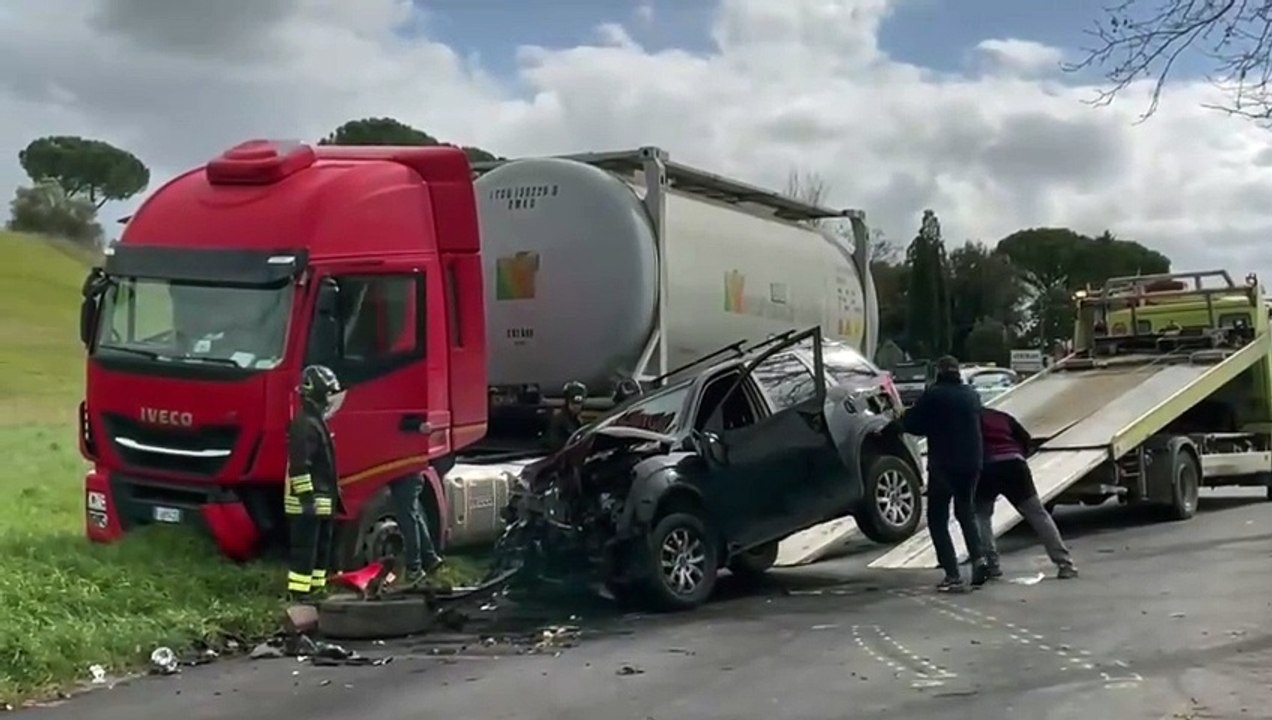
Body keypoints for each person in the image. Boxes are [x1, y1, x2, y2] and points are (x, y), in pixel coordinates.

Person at [899, 355, 989, 593]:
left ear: (938, 372)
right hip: (972, 462)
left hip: (944, 465)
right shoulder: (971, 394)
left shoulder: (934, 395)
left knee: (937, 518)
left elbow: (913, 425)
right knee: (965, 512)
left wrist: (899, 418)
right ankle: (979, 559)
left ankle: (952, 574)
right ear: (957, 372)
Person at [976, 407, 1078, 580]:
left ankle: (992, 565)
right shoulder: (1002, 417)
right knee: (1038, 514)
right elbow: (1025, 439)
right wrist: (1019, 455)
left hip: (986, 468)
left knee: (982, 516)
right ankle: (1064, 563)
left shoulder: (969, 419)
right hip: (1015, 466)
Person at [284, 365, 344, 601]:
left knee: (321, 550)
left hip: (321, 501)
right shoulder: (305, 424)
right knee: (304, 551)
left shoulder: (315, 421)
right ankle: (299, 593)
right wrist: (307, 499)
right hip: (307, 503)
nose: (331, 399)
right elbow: (300, 465)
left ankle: (316, 589)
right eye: (328, 393)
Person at [388, 471, 446, 589]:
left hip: (404, 475)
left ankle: (414, 569)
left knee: (407, 521)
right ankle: (430, 559)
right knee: (413, 517)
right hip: (410, 474)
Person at [544, 381, 587, 452]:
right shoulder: (560, 419)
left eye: (579, 404)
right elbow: (556, 445)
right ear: (567, 402)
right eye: (573, 403)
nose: (576, 406)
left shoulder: (576, 418)